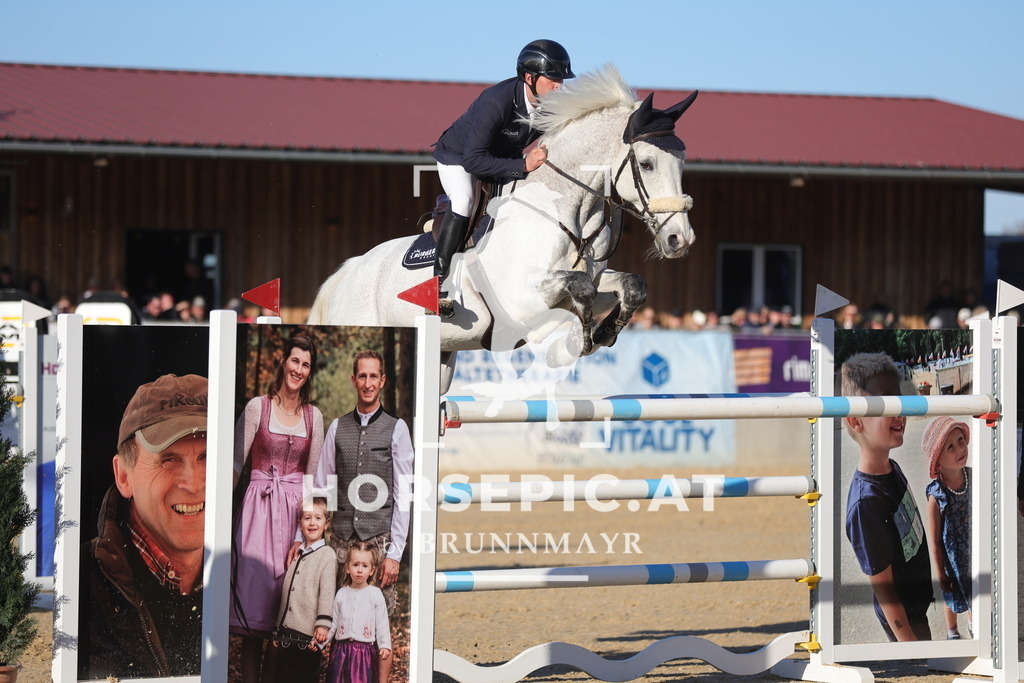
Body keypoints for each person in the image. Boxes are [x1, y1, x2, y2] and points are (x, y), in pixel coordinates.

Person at [431, 39, 575, 317]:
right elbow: (474, 160)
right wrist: (523, 164)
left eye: (562, 79)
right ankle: (441, 283)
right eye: (553, 78)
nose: (560, 85)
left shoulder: (553, 104)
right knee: (464, 200)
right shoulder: (495, 101)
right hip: (459, 157)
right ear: (529, 77)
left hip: (503, 159)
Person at [80, 373, 208, 679]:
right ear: (124, 476)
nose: (193, 484)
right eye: (169, 460)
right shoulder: (80, 585)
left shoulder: (258, 576)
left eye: (207, 457)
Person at [231, 333, 325, 683]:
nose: (299, 369)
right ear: (283, 361)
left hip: (293, 519)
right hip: (256, 515)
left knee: (285, 617)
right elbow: (235, 466)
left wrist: (307, 534)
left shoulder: (314, 417)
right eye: (295, 360)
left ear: (310, 372)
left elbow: (311, 479)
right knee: (253, 621)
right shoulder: (258, 407)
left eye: (306, 364)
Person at [308, 350, 413, 637]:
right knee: (336, 624)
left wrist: (395, 554)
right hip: (341, 540)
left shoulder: (397, 429)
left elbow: (404, 495)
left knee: (378, 630)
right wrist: (310, 541)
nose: (368, 383)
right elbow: (320, 488)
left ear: (382, 381)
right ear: (354, 380)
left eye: (373, 376)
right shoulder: (338, 427)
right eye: (362, 376)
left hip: (379, 541)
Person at [841, 352, 933, 641]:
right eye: (885, 405)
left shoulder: (892, 468)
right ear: (856, 421)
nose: (899, 413)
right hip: (904, 620)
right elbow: (885, 590)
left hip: (917, 607)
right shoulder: (866, 503)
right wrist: (909, 644)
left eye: (899, 402)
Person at [264, 498, 337, 683]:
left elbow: (327, 592)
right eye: (307, 518)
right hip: (285, 634)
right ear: (300, 524)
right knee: (280, 676)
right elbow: (287, 594)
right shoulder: (299, 553)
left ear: (326, 523)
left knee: (304, 677)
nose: (312, 523)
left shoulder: (327, 555)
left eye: (318, 518)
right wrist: (277, 630)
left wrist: (323, 624)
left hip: (307, 637)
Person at [922, 416, 972, 639]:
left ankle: (975, 626)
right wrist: (940, 573)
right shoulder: (937, 494)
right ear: (938, 462)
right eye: (950, 447)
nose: (959, 449)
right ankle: (952, 631)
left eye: (960, 440)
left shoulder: (974, 477)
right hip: (953, 559)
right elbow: (934, 540)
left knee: (976, 594)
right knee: (952, 597)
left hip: (974, 552)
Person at [324, 542, 392, 683]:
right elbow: (334, 623)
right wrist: (320, 643)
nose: (360, 570)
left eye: (365, 566)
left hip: (364, 653)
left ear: (372, 570)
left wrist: (384, 645)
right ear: (348, 568)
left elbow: (382, 624)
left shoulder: (375, 594)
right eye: (355, 565)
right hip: (341, 652)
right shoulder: (341, 593)